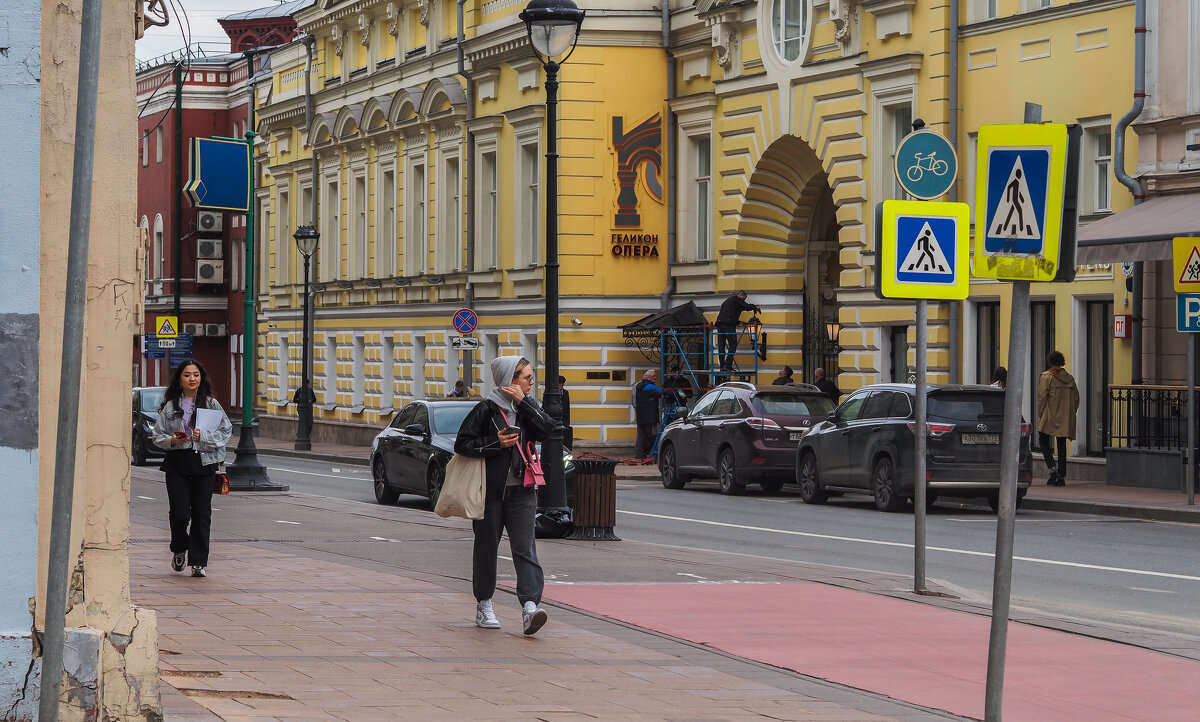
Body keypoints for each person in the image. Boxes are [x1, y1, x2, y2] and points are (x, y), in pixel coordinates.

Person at [454, 356, 556, 634]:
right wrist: (493, 443)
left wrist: (524, 403)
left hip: (523, 490)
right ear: (510, 380)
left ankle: (530, 608)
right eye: (526, 377)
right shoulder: (485, 409)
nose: (531, 382)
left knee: (525, 549)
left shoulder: (527, 408)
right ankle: (484, 604)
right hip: (490, 492)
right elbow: (462, 444)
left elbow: (548, 430)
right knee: (487, 547)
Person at [153, 359, 233, 579]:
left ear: (201, 378)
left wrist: (204, 436)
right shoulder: (171, 406)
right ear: (180, 379)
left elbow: (226, 431)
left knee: (201, 514)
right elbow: (157, 436)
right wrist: (173, 439)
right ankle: (179, 547)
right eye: (187, 375)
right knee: (179, 514)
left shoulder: (210, 403)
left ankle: (198, 562)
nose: (192, 379)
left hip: (204, 463)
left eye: (196, 375)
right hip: (177, 463)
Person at [1037, 350, 1079, 487]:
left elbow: (1042, 397)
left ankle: (1052, 469)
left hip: (1050, 415)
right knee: (1061, 444)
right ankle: (1061, 475)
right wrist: (1071, 413)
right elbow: (1076, 398)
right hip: (1065, 417)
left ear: (1050, 361)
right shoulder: (1070, 379)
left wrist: (1040, 413)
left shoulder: (1046, 377)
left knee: (1042, 439)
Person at [715, 290, 761, 371]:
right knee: (733, 344)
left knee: (721, 346)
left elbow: (729, 314)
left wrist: (739, 322)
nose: (743, 301)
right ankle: (728, 365)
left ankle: (722, 366)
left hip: (720, 324)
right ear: (740, 295)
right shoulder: (736, 299)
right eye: (744, 299)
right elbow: (746, 306)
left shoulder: (729, 301)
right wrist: (755, 307)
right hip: (727, 324)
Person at [633, 369, 664, 459]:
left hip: (641, 416)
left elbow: (634, 400)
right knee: (652, 435)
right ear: (647, 377)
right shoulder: (650, 386)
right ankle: (647, 454)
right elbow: (662, 392)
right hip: (650, 417)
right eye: (653, 376)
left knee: (641, 437)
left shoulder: (638, 386)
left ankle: (639, 456)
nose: (655, 377)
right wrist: (678, 393)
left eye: (655, 376)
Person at [557, 375, 572, 450]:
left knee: (564, 439)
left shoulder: (565, 393)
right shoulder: (553, 392)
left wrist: (567, 423)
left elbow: (567, 408)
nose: (561, 385)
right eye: (560, 383)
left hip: (564, 420)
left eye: (562, 383)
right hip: (556, 419)